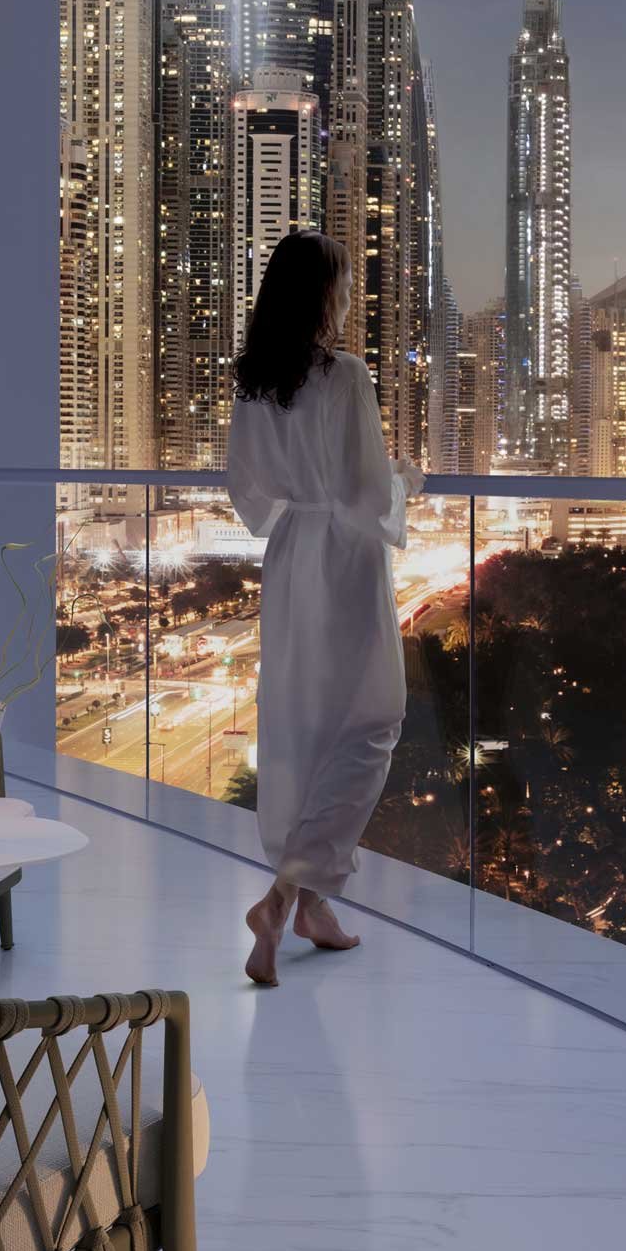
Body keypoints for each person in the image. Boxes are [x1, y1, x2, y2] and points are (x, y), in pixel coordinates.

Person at [226, 229, 419, 986]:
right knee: (373, 720)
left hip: (291, 556)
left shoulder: (254, 381)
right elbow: (367, 493)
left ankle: (310, 907)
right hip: (344, 561)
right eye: (342, 284)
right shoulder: (346, 375)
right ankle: (281, 901)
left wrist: (303, 502)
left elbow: (249, 495)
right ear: (322, 295)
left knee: (304, 728)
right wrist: (408, 482)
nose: (348, 297)